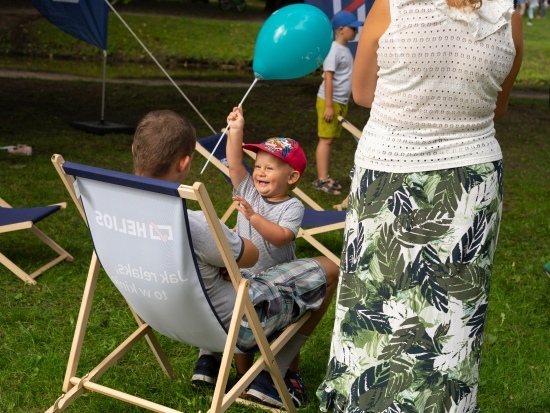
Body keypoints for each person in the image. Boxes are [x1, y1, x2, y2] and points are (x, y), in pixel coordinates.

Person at [317, 0, 523, 411]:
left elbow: (360, 93)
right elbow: (497, 107)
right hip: (471, 182)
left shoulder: (392, 5)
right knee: (453, 316)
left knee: (372, 304)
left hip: (389, 173)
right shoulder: (508, 16)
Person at [132, 109, 339, 409]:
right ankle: (250, 377)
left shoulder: (291, 207)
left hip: (255, 283)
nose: (260, 172)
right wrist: (236, 130)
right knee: (259, 311)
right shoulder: (248, 192)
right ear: (185, 162)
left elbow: (281, 236)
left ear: (292, 177)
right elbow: (234, 163)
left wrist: (252, 219)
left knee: (277, 316)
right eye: (259, 166)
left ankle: (228, 365)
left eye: (270, 168)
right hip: (245, 290)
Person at [313, 10, 364, 196]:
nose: (356, 32)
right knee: (325, 140)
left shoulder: (343, 49)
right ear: (341, 30)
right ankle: (322, 179)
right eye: (353, 28)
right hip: (330, 101)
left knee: (330, 139)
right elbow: (328, 78)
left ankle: (324, 175)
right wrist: (328, 105)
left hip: (339, 101)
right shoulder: (333, 50)